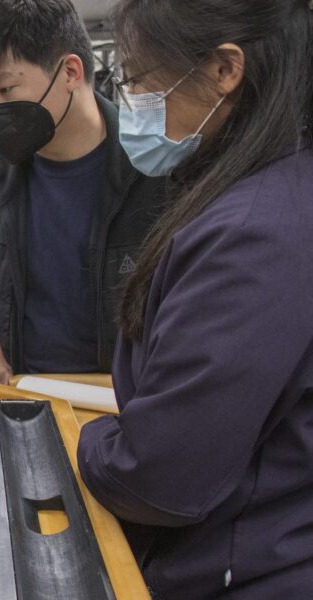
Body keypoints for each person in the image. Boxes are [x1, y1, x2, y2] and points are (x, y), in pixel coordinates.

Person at [78, 1, 313, 596]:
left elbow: (159, 480)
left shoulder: (252, 233)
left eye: (136, 79)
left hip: (246, 564)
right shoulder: (277, 190)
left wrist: (90, 437)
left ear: (223, 69)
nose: (131, 101)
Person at [0, 0, 168, 384]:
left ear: (70, 71)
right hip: (26, 394)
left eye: (5, 88)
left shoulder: (157, 172)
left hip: (126, 400)